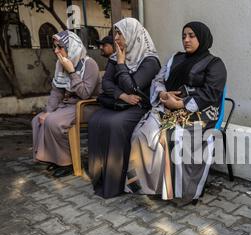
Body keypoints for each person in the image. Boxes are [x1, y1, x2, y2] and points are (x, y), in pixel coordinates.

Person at [125, 21, 227, 203]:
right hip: (167, 106)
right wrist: (163, 93)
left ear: (202, 38)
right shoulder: (175, 58)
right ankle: (150, 186)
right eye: (183, 36)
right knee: (142, 134)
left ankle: (179, 191)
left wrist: (181, 104)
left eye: (191, 36)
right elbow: (158, 79)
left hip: (200, 111)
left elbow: (212, 92)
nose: (186, 40)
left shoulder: (215, 63)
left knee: (173, 136)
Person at [88, 17, 160, 199]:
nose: (116, 38)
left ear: (132, 34)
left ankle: (116, 182)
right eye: (115, 33)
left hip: (140, 107)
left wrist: (121, 64)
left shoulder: (149, 60)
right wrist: (123, 96)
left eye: (120, 33)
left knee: (114, 124)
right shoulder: (116, 56)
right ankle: (100, 177)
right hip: (122, 103)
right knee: (96, 120)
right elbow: (106, 83)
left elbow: (134, 87)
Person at [31, 30, 100, 177]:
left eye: (59, 47)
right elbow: (57, 91)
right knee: (38, 120)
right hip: (69, 105)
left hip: (87, 106)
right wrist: (48, 111)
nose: (56, 51)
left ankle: (66, 162)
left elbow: (85, 94)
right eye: (55, 47)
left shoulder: (89, 64)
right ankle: (53, 159)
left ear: (71, 47)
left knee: (53, 121)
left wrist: (72, 71)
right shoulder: (60, 64)